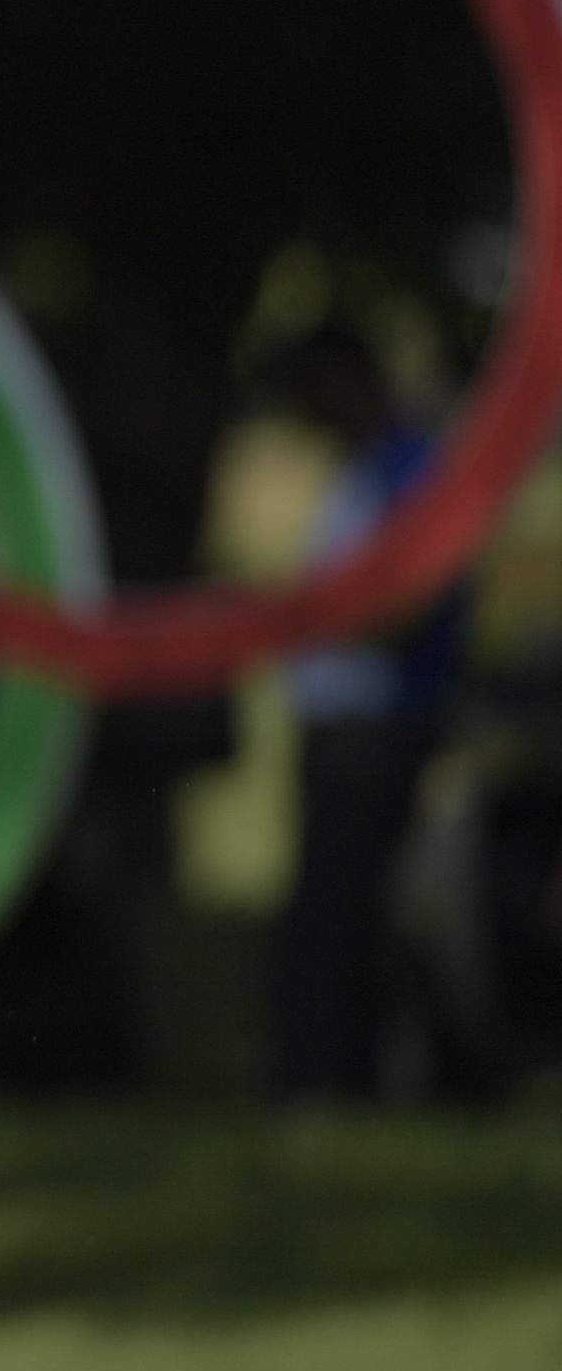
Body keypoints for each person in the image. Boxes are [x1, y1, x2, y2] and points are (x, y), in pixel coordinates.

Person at [270, 322, 466, 1099]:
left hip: (375, 727)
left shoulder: (410, 467)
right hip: (340, 726)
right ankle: (326, 1074)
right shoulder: (361, 471)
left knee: (347, 912)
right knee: (330, 907)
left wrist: (311, 618)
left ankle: (338, 1078)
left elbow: (411, 603)